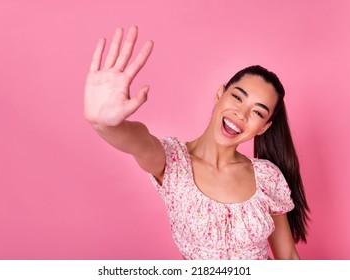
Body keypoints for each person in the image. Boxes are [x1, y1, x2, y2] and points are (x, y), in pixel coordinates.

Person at [84, 26, 310, 260]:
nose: (241, 114)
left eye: (258, 112)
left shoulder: (268, 176)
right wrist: (105, 123)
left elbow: (288, 259)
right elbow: (138, 140)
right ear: (219, 94)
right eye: (237, 97)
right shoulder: (173, 162)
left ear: (263, 127)